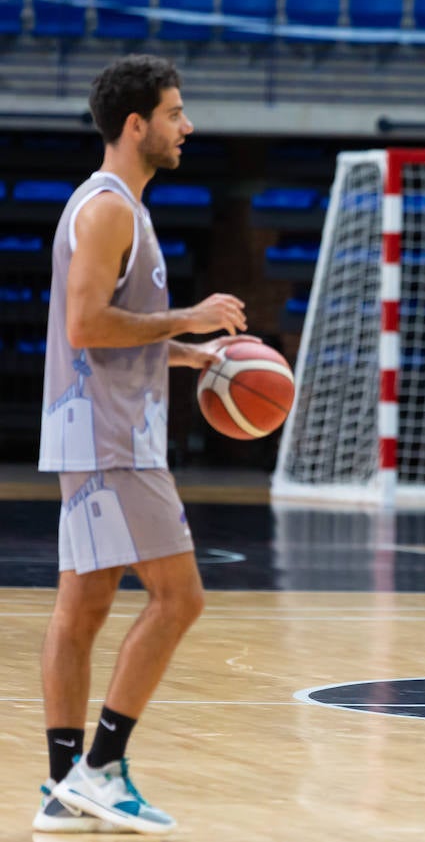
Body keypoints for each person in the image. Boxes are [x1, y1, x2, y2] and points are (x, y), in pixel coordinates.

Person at [36, 54, 252, 835]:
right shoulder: (109, 210)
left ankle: (63, 785)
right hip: (112, 435)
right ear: (137, 125)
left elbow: (104, 333)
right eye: (174, 113)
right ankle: (103, 765)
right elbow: (85, 326)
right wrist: (187, 319)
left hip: (90, 428)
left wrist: (182, 354)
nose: (186, 126)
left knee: (83, 608)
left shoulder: (118, 205)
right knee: (180, 596)